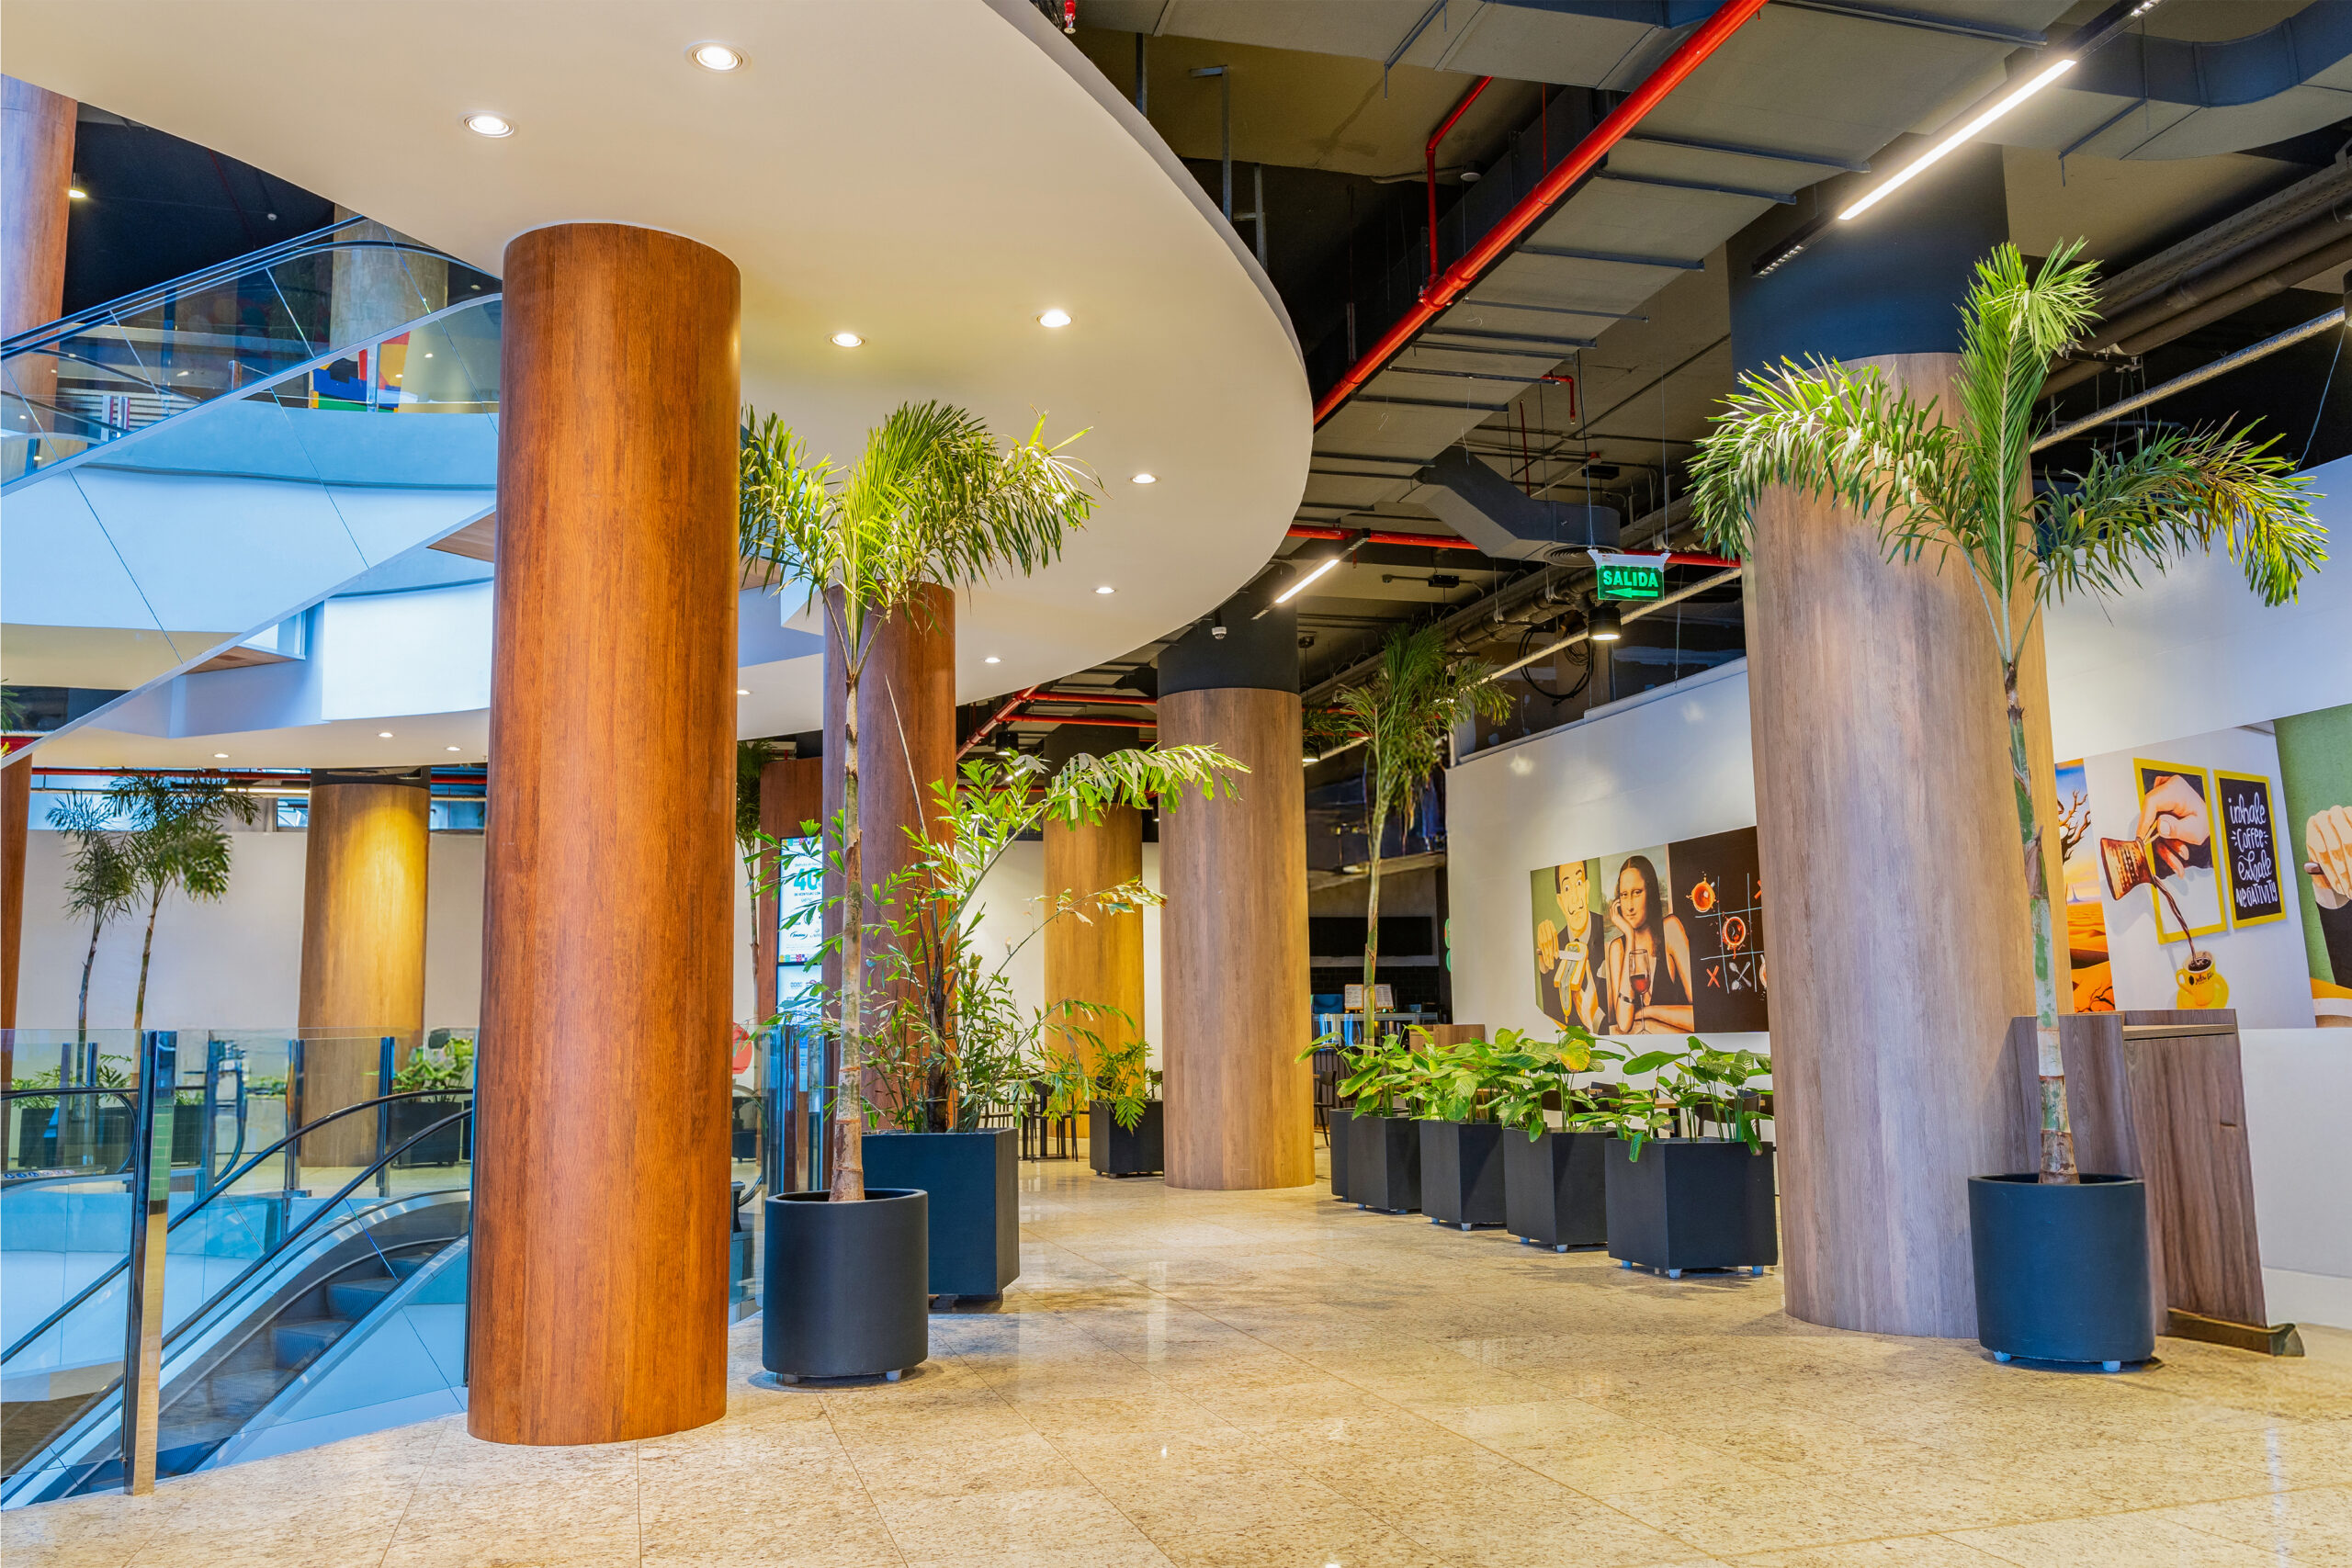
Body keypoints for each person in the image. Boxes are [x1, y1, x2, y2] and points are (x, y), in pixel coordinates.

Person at [1606, 854, 1694, 1033]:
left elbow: (1699, 1014)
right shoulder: (1618, 949)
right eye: (1624, 895)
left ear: (1651, 893)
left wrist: (1648, 1012)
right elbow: (1624, 1023)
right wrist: (1630, 936)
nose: (1629, 906)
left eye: (1637, 892)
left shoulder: (1670, 929)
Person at [1550, 860, 1603, 1032]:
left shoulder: (1608, 932)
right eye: (1567, 888)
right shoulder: (1553, 947)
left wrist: (1595, 1017)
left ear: (1587, 888)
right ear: (1560, 901)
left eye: (1579, 883)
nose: (1575, 897)